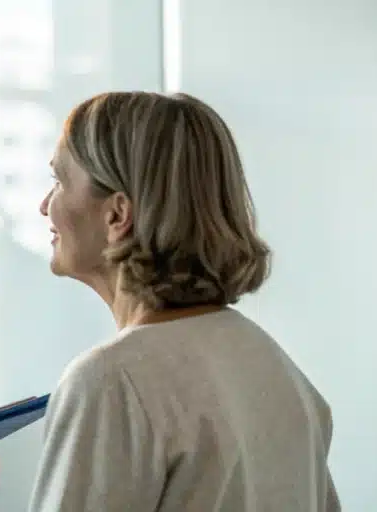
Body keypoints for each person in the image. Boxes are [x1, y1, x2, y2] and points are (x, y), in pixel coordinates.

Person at [27, 91, 341, 511]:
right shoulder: (275, 366)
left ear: (118, 215)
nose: (44, 205)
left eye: (59, 181)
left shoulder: (110, 382)